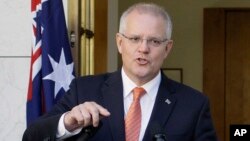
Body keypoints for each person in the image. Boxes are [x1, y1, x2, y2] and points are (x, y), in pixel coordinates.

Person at [23, 2, 218, 141]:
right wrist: (67, 123)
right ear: (119, 42)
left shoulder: (194, 105)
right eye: (134, 39)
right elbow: (31, 136)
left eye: (155, 41)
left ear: (167, 48)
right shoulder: (83, 90)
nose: (143, 48)